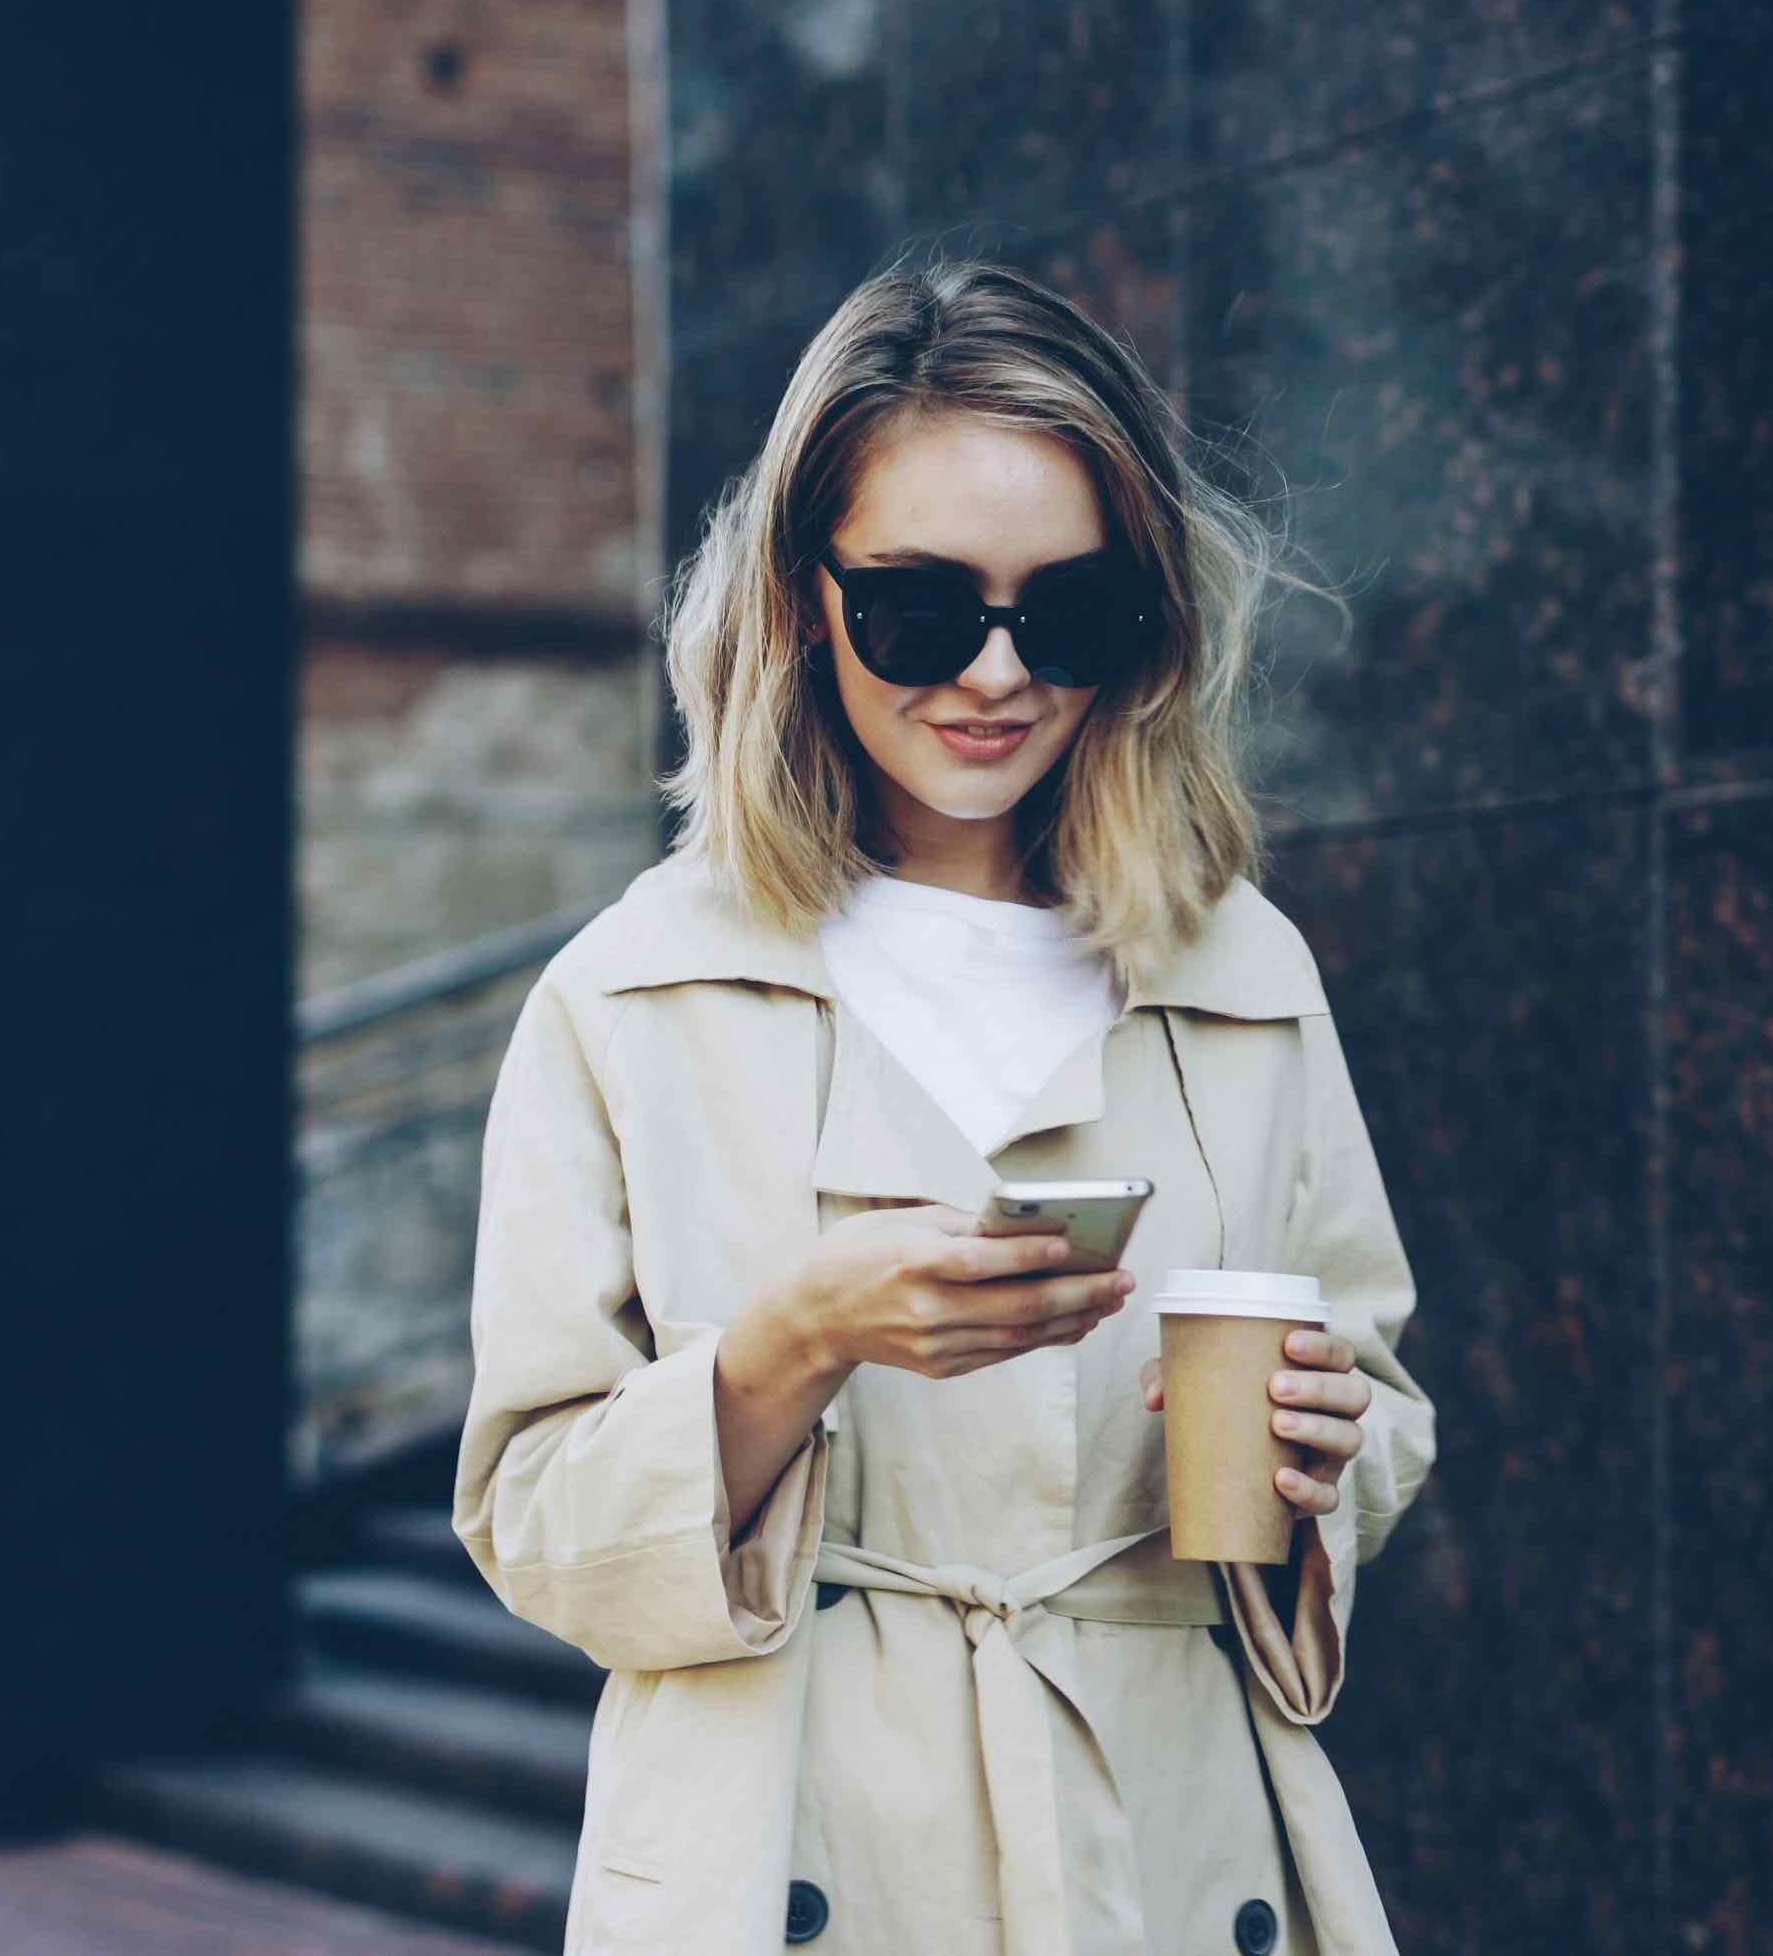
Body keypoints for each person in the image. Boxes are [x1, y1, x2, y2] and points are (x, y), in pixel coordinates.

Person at [450, 256, 1438, 1956]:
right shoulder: (634, 991)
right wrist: (791, 1345)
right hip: (797, 1845)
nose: (995, 675)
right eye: (920, 611)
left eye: (1065, 614)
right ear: (801, 600)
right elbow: (532, 1513)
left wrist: (1322, 1455)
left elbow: (1375, 1390)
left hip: (1172, 1838)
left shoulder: (1238, 970)